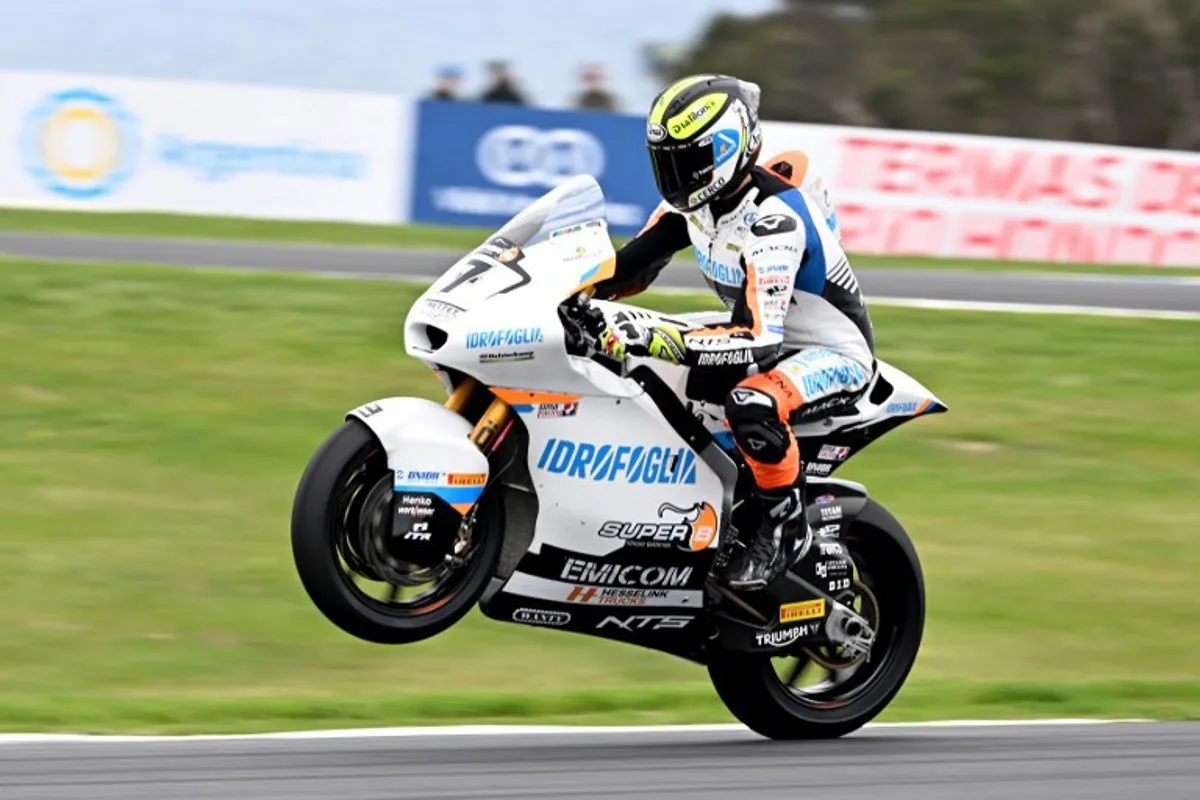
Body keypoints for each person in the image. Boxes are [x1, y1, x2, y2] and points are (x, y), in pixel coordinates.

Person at [591, 74, 871, 591]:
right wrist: (568, 292)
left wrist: (644, 333)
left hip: (828, 352)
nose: (672, 176)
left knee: (751, 403)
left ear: (725, 150)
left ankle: (781, 526)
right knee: (631, 368)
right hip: (768, 338)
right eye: (665, 161)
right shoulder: (693, 206)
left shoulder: (774, 220)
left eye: (686, 161)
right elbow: (629, 268)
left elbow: (754, 338)